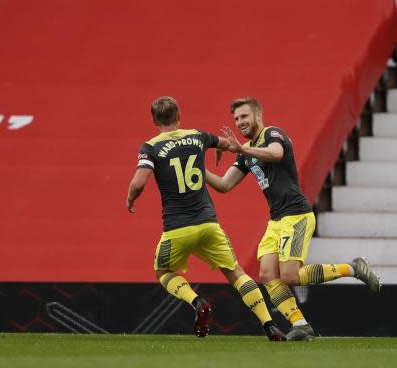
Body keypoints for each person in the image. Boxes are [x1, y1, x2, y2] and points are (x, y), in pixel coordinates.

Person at [205, 97, 381, 341]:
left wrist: (241, 148)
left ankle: (352, 267)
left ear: (257, 115)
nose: (240, 122)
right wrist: (196, 168)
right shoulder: (245, 153)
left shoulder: (272, 134)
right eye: (236, 119)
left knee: (290, 277)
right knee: (267, 275)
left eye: (244, 116)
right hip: (276, 220)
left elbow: (276, 155)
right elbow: (224, 185)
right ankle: (300, 324)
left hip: (296, 215)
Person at [126, 96, 285, 341]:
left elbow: (139, 181)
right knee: (237, 273)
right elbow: (228, 144)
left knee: (163, 271)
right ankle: (270, 325)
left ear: (155, 120)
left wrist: (130, 200)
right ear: (179, 116)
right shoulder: (198, 136)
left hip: (177, 228)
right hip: (209, 224)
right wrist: (220, 151)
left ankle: (197, 302)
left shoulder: (150, 147)